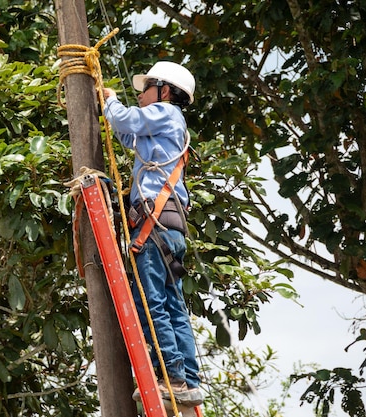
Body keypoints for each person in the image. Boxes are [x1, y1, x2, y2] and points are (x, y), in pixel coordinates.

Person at [102, 61, 203, 407]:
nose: (140, 95)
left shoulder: (165, 112)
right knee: (173, 304)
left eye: (146, 88)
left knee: (153, 303)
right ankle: (188, 379)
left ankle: (172, 376)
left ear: (163, 90)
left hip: (154, 224)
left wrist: (110, 101)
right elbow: (129, 134)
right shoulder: (166, 123)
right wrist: (112, 114)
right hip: (169, 227)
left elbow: (124, 120)